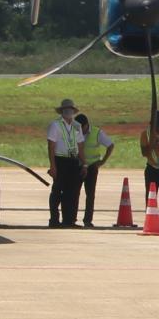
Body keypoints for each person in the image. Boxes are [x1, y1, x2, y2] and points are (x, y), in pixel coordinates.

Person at [43, 98, 83, 229]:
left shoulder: (77, 126)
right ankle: (54, 220)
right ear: (62, 111)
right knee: (57, 191)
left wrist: (84, 164)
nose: (68, 112)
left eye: (70, 109)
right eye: (66, 109)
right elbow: (51, 146)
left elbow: (80, 145)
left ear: (73, 111)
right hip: (60, 160)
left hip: (73, 161)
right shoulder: (55, 125)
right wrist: (53, 166)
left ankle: (69, 220)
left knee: (71, 193)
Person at [76, 112, 114, 227]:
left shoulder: (97, 132)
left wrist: (103, 161)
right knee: (74, 193)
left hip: (92, 166)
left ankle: (87, 220)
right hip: (77, 166)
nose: (79, 131)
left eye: (81, 128)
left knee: (90, 194)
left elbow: (110, 145)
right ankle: (71, 219)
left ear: (86, 125)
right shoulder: (74, 131)